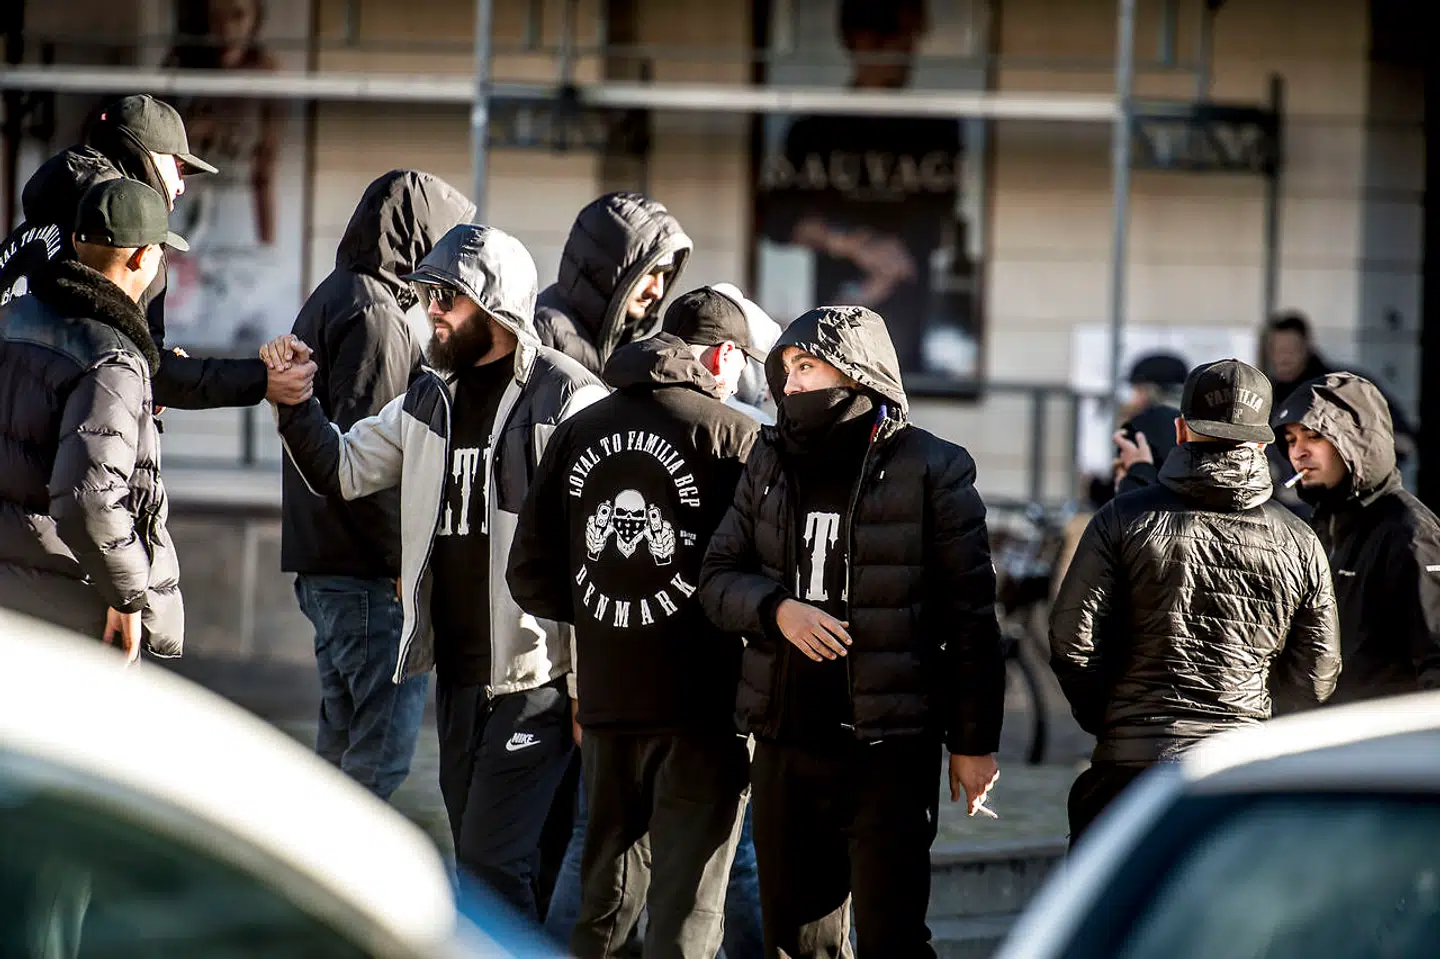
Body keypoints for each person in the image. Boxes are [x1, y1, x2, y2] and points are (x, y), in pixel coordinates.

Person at [270, 224, 607, 917]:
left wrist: (588, 682)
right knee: (508, 859)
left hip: (535, 679)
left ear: (496, 305)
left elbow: (595, 554)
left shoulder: (568, 400)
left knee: (486, 867)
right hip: (454, 676)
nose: (431, 312)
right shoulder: (428, 398)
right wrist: (294, 404)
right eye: (427, 296)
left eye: (446, 299)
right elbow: (341, 468)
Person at [699, 305, 1006, 958]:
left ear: (857, 373)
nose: (794, 383)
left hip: (889, 748)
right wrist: (776, 609)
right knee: (794, 938)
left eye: (807, 366)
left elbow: (972, 619)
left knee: (892, 934)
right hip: (785, 741)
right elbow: (717, 576)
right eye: (787, 369)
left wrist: (974, 742)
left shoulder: (935, 467)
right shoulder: (769, 460)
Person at [508, 287, 766, 957]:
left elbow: (529, 575)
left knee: (605, 894)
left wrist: (608, 612)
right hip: (707, 705)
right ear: (723, 355)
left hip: (610, 700)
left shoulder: (580, 428)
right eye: (740, 365)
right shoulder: (737, 437)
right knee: (688, 906)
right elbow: (772, 572)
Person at [1051, 359, 1341, 847]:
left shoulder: (1121, 518)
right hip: (1237, 772)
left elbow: (1072, 643)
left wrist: (1117, 718)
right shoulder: (1300, 540)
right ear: (1261, 442)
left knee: (1118, 920)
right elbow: (1317, 674)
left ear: (1181, 429)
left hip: (1130, 766)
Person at [276, 170, 474, 801]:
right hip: (367, 574)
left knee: (340, 749)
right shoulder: (376, 314)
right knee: (379, 760)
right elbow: (369, 456)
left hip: (326, 562)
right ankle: (343, 894)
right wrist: (401, 564)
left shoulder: (334, 294)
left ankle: (306, 888)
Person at [0, 94, 311, 409]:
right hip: (60, 442)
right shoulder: (126, 238)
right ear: (145, 156)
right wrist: (264, 380)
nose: (180, 186)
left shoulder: (31, 231)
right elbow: (149, 370)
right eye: (177, 166)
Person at [0, 178, 197, 661]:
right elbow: (90, 499)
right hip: (66, 608)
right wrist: (127, 594)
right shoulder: (111, 358)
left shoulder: (11, 319)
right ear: (141, 259)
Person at [757, 0, 973, 376]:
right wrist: (857, 244)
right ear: (856, 42)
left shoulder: (937, 129)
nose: (904, 54)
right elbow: (775, 218)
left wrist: (885, 264)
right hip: (833, 317)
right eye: (891, 41)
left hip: (912, 329)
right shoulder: (814, 130)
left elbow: (944, 223)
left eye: (910, 41)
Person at [1274, 372, 1440, 702]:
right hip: (1323, 739)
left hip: (1380, 741)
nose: (1299, 453)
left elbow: (1435, 657)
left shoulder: (1409, 533)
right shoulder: (1320, 526)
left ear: (1354, 440)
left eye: (1314, 436)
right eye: (1291, 441)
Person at [534, 192, 693, 375]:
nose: (658, 291)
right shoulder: (543, 330)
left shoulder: (622, 340)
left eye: (665, 275)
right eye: (650, 273)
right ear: (604, 269)